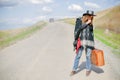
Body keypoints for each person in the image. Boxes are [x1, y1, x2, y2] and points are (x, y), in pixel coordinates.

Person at [71, 10, 96, 76]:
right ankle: (74, 69)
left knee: (88, 56)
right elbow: (78, 29)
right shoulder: (79, 21)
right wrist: (87, 23)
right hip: (81, 42)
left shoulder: (91, 23)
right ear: (86, 16)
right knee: (78, 56)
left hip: (89, 42)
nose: (91, 17)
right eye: (90, 16)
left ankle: (88, 69)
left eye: (92, 16)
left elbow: (92, 34)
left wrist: (93, 44)